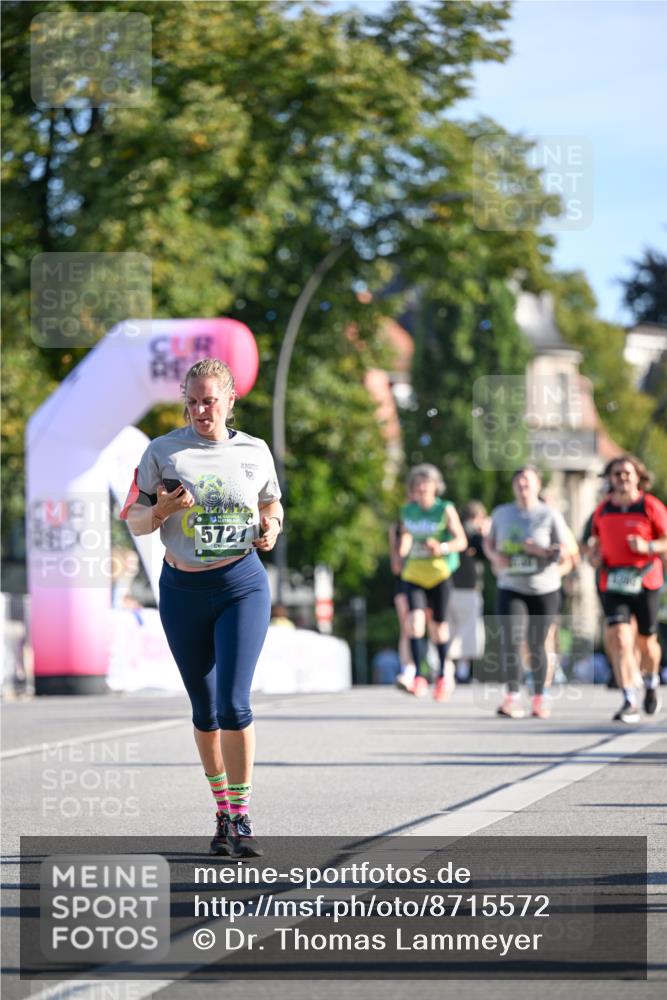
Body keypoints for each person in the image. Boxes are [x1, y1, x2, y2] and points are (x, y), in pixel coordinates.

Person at [121, 358, 283, 858]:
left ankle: (241, 815)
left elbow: (271, 505)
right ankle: (221, 812)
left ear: (231, 399)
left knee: (235, 704)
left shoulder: (255, 451)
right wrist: (162, 510)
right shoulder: (162, 451)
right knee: (205, 710)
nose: (199, 411)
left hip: (241, 586)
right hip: (184, 592)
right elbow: (133, 518)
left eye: (209, 401)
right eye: (191, 402)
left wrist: (273, 527)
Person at [484, 465, 570, 719]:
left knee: (537, 644)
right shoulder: (502, 514)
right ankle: (511, 698)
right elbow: (488, 544)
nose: (523, 488)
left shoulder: (549, 514)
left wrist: (540, 552)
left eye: (527, 483)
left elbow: (563, 551)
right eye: (519, 483)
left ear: (538, 486)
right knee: (511, 638)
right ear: (514, 487)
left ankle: (539, 699)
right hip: (511, 586)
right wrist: (495, 556)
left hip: (544, 588)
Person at [588, 454, 667, 723]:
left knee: (646, 642)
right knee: (620, 638)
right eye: (616, 474)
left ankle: (651, 681)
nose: (622, 478)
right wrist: (594, 557)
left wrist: (649, 547)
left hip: (646, 580)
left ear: (637, 477)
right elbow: (594, 544)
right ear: (609, 479)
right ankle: (629, 699)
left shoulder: (650, 506)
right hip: (613, 582)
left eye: (627, 473)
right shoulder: (602, 510)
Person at [398, 464, 467, 701]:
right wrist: (402, 550)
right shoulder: (408, 511)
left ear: (435, 486)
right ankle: (418, 676)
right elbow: (406, 535)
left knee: (438, 627)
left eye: (426, 483)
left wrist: (441, 548)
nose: (421, 487)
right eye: (417, 484)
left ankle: (442, 677)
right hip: (414, 574)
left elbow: (462, 541)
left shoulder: (445, 509)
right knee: (415, 622)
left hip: (439, 575)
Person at [449, 500, 489, 685]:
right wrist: (485, 533)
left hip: (449, 587)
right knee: (467, 632)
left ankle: (448, 671)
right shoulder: (472, 534)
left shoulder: (453, 531)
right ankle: (462, 672)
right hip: (466, 589)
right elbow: (485, 553)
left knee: (451, 631)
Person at [389, 516, 417, 692]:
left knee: (432, 627)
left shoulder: (437, 523)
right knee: (407, 627)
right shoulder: (398, 529)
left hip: (430, 581)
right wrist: (397, 540)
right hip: (405, 583)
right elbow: (396, 567)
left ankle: (443, 672)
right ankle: (408, 670)